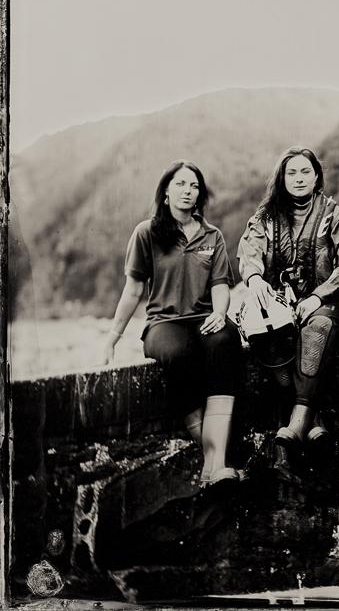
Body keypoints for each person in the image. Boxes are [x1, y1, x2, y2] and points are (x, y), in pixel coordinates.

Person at [103, 160, 245, 487]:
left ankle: (215, 463)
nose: (187, 191)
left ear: (200, 195)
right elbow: (134, 289)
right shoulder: (147, 232)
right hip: (162, 323)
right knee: (178, 354)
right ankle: (216, 461)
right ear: (166, 192)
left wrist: (220, 312)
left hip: (204, 319)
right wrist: (113, 337)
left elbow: (220, 285)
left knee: (226, 340)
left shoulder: (213, 235)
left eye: (194, 186)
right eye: (180, 184)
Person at [238, 146, 339, 455]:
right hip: (283, 305)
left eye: (305, 171)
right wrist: (253, 279)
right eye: (291, 172)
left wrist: (318, 296)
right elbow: (249, 252)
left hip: (328, 305)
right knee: (264, 327)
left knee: (315, 327)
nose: (299, 178)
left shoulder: (336, 215)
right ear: (282, 178)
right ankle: (315, 423)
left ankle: (297, 418)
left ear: (317, 176)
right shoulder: (266, 218)